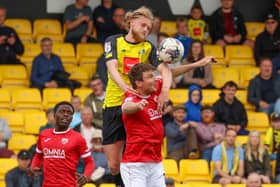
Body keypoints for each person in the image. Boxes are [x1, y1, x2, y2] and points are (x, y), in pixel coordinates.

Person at [102, 6, 214, 185]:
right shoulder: (113, 41)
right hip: (114, 106)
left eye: (149, 27)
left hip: (137, 110)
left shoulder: (148, 47)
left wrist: (165, 91)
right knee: (115, 166)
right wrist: (124, 87)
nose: (147, 30)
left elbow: (166, 70)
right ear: (131, 22)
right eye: (143, 25)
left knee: (131, 160)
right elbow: (111, 67)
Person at [120, 63, 167, 187]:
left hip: (156, 162)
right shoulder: (131, 98)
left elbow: (168, 72)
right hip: (135, 164)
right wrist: (137, 106)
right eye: (150, 77)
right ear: (139, 83)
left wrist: (199, 63)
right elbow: (125, 108)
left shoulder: (155, 91)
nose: (155, 79)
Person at [30, 101, 94, 187]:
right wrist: (34, 167)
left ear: (72, 118)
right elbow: (38, 156)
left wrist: (86, 175)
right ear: (54, 115)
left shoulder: (77, 138)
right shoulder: (44, 134)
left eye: (69, 113)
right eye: (62, 111)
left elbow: (90, 162)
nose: (66, 114)